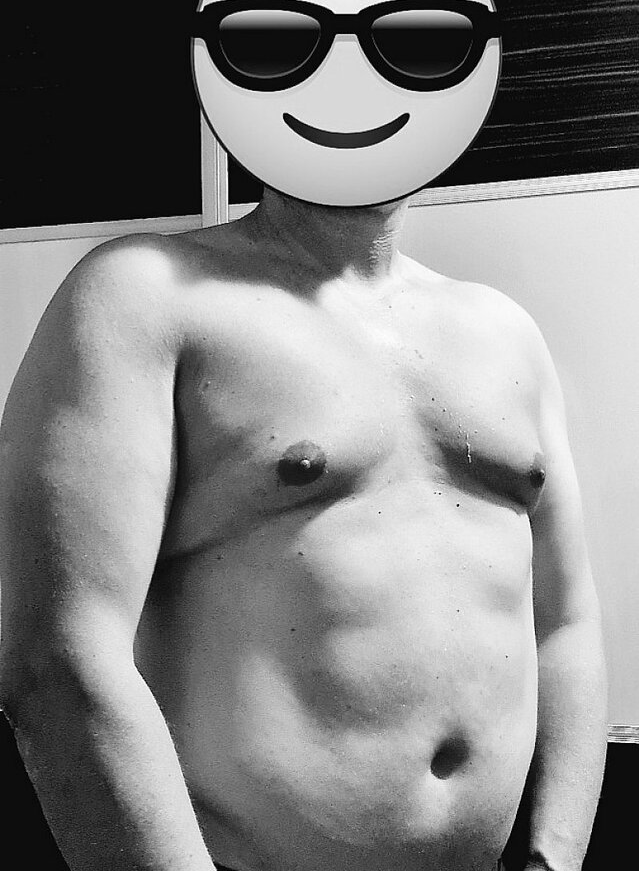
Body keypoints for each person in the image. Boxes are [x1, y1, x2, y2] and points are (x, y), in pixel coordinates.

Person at [0, 187, 607, 871]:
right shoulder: (146, 293)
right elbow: (59, 656)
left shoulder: (506, 332)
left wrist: (552, 859)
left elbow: (565, 624)